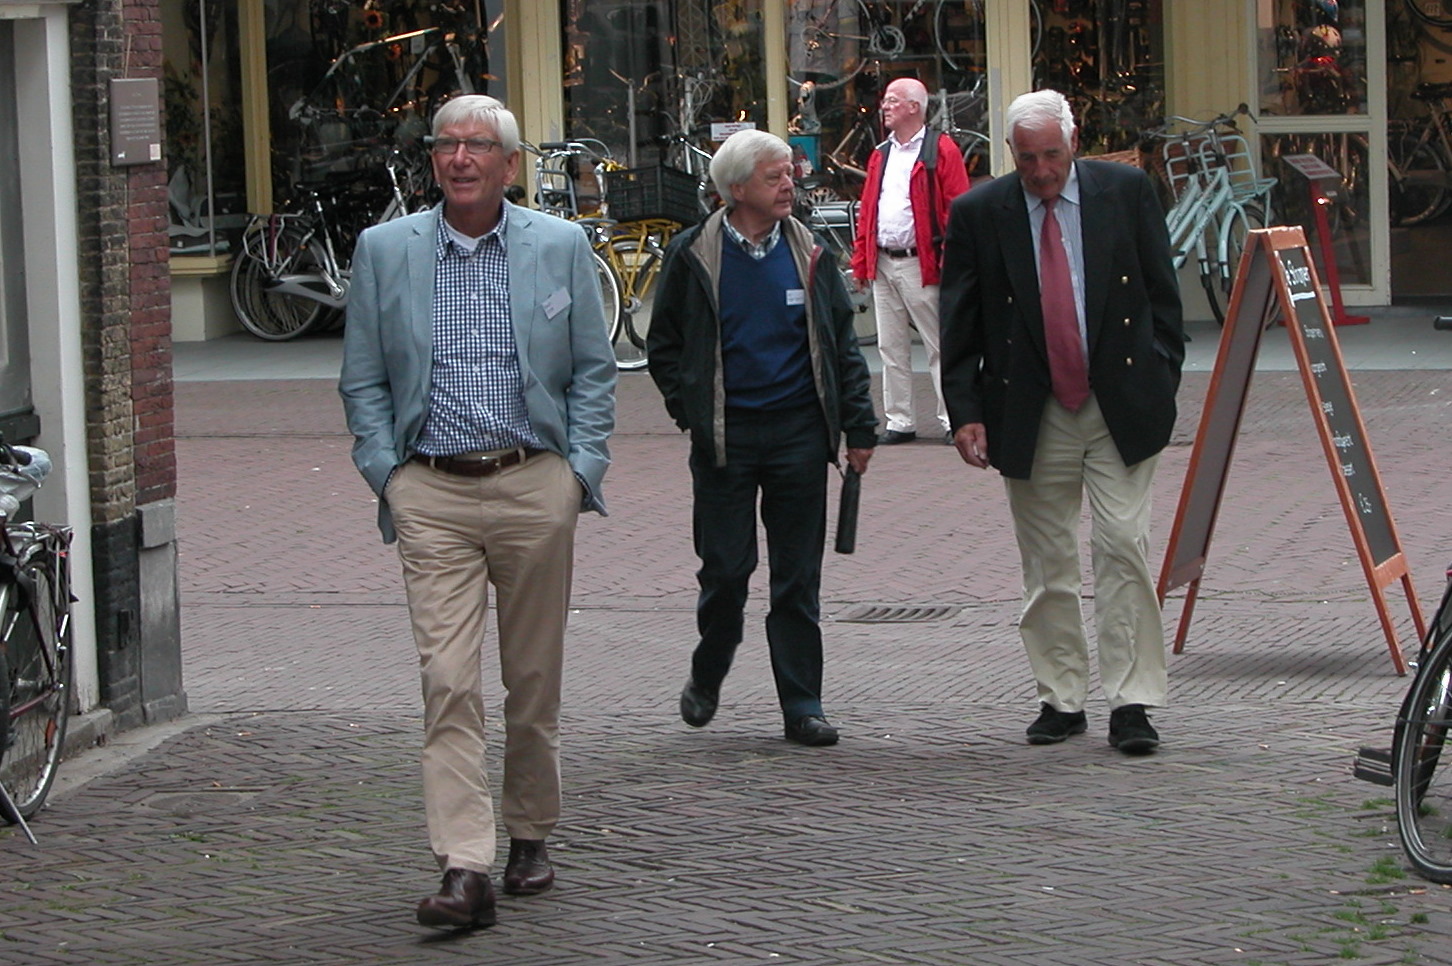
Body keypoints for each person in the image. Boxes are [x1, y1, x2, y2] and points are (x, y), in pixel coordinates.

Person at [338, 94, 616, 929]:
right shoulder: (384, 250)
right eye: (446, 145)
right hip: (431, 491)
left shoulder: (559, 246)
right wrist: (388, 475)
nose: (460, 159)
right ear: (433, 161)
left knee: (531, 675)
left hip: (533, 483)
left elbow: (594, 372)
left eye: (478, 146)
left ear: (509, 163)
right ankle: (464, 865)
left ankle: (530, 829)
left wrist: (577, 474)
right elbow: (362, 378)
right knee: (448, 681)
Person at [938, 89, 1184, 755]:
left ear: (1074, 142)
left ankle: (1131, 701)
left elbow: (1163, 295)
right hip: (1029, 405)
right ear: (1010, 154)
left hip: (1118, 402)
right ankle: (1061, 696)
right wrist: (965, 412)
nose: (1042, 171)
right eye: (1027, 159)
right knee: (1047, 561)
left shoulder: (1126, 192)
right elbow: (959, 320)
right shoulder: (978, 213)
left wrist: (1160, 375)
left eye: (1051, 155)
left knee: (1123, 546)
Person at [648, 129, 877, 748]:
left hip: (798, 434)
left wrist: (860, 425)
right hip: (725, 438)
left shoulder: (809, 250)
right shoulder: (693, 253)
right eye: (774, 176)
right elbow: (664, 346)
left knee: (797, 578)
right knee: (726, 571)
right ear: (736, 188)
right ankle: (710, 664)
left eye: (789, 175)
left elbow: (841, 344)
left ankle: (803, 704)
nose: (788, 185)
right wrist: (691, 412)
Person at [850, 77, 971, 446]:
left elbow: (956, 209)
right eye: (886, 101)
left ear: (914, 107)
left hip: (923, 262)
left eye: (893, 100)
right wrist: (862, 261)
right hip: (884, 262)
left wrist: (952, 261)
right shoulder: (881, 154)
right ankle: (899, 420)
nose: (884, 107)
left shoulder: (942, 150)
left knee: (939, 345)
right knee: (891, 347)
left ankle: (953, 418)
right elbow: (868, 210)